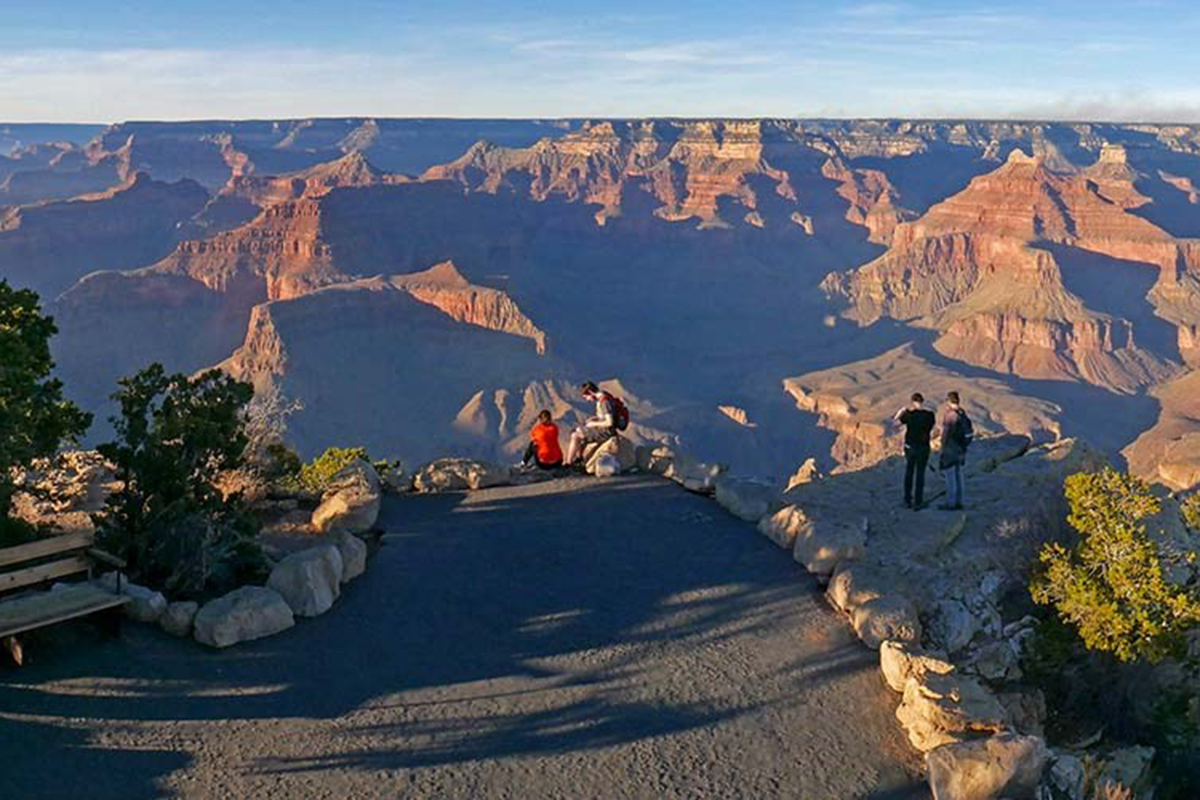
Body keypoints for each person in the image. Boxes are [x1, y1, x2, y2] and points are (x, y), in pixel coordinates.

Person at [893, 392, 935, 510]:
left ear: (913, 402)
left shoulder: (908, 415)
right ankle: (918, 501)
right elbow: (931, 427)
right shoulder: (929, 415)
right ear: (922, 401)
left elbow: (894, 424)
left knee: (909, 472)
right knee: (920, 474)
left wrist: (901, 412)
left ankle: (907, 500)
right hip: (924, 447)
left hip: (910, 447)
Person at [564, 381, 617, 467]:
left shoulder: (604, 402)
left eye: (586, 397)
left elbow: (609, 422)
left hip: (606, 432)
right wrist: (594, 419)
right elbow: (604, 417)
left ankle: (569, 463)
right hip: (603, 429)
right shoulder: (603, 398)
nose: (587, 400)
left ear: (590, 392)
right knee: (578, 430)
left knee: (575, 435)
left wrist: (594, 424)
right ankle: (579, 459)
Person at [938, 391, 971, 510]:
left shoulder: (950, 415)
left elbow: (946, 434)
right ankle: (960, 502)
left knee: (950, 477)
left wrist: (942, 448)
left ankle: (951, 503)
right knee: (959, 476)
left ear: (949, 401)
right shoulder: (962, 413)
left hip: (950, 450)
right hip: (961, 450)